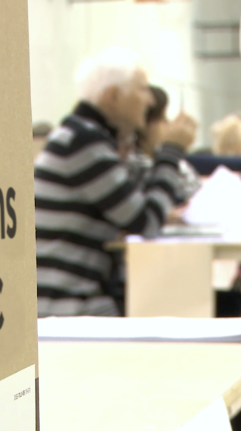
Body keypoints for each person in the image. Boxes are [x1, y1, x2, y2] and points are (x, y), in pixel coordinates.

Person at [34, 47, 197, 316]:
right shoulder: (83, 143)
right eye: (142, 89)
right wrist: (171, 152)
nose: (148, 100)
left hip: (76, 296)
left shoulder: (84, 137)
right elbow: (146, 222)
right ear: (113, 97)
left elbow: (134, 210)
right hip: (69, 304)